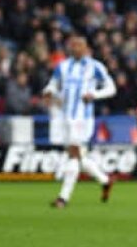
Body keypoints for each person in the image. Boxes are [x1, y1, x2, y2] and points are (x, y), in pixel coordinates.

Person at [44, 34, 117, 208]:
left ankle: (63, 198)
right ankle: (105, 180)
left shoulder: (95, 67)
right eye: (73, 45)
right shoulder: (62, 66)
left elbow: (111, 88)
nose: (76, 48)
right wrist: (48, 91)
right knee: (79, 156)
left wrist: (94, 95)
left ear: (85, 48)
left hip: (83, 119)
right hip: (65, 117)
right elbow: (53, 84)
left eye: (79, 45)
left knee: (74, 154)